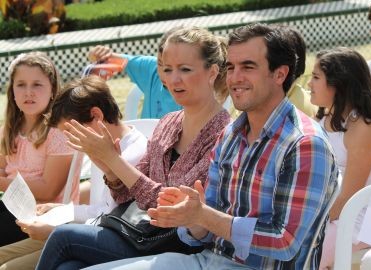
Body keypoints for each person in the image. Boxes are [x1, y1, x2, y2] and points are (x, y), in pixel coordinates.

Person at [80, 23, 336, 270]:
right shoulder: (231, 136)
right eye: (231, 67)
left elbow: (285, 241)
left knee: (68, 242)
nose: (235, 78)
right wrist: (192, 218)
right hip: (207, 261)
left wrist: (203, 216)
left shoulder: (304, 144)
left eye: (248, 67)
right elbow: (200, 233)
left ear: (280, 74)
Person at [35, 26, 231, 269]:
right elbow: (128, 196)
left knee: (62, 237)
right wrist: (108, 168)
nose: (173, 79)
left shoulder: (224, 135)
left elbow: (170, 207)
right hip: (142, 234)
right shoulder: (169, 122)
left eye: (185, 69)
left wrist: (114, 161)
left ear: (212, 72)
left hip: (178, 245)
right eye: (167, 69)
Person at [0, 75, 148, 269]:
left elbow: (111, 219)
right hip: (85, 229)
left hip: (104, 237)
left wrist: (53, 229)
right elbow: (101, 207)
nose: (70, 141)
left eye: (71, 132)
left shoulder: (130, 155)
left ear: (96, 116)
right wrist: (60, 210)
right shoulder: (104, 149)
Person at [307, 48, 371, 269]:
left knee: (302, 250)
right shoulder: (325, 118)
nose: (309, 84)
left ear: (339, 84)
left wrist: (309, 222)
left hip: (360, 218)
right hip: (328, 211)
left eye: (316, 78)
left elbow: (349, 196)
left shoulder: (364, 126)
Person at [0, 52, 77, 247]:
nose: (28, 92)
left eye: (37, 84)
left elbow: (49, 190)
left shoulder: (57, 132)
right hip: (11, 205)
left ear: (52, 90)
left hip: (40, 214)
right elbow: (2, 167)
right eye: (21, 85)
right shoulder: (9, 130)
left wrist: (3, 182)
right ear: (12, 92)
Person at [88, 28, 183, 119]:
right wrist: (96, 53)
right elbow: (106, 58)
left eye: (169, 69)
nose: (163, 73)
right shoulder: (151, 68)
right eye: (160, 63)